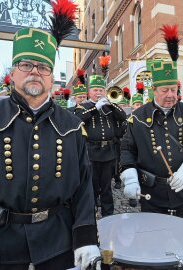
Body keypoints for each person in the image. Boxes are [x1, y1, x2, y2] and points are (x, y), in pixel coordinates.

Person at [0, 5, 99, 269]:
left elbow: (84, 185)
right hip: (0, 245)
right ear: (13, 73)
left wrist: (85, 237)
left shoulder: (72, 125)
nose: (35, 71)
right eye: (27, 65)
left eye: (43, 67)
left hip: (58, 243)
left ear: (51, 79)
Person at [120, 24, 183, 219]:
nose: (170, 95)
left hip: (182, 193)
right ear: (153, 90)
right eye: (165, 90)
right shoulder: (138, 117)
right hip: (152, 194)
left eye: (173, 90)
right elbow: (127, 150)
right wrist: (130, 177)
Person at [75, 60, 127, 217]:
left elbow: (123, 116)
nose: (99, 93)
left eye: (101, 90)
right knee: (91, 187)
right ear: (89, 92)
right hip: (91, 153)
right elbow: (78, 120)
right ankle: (90, 215)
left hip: (108, 153)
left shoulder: (108, 106)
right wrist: (94, 108)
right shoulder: (83, 107)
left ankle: (108, 215)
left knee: (106, 188)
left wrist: (110, 104)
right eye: (96, 90)